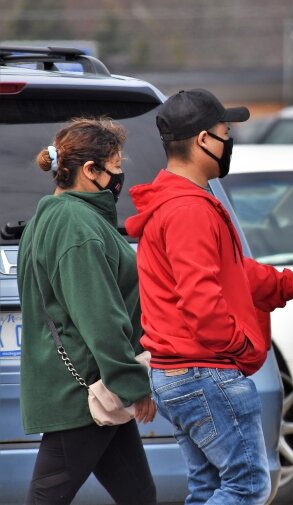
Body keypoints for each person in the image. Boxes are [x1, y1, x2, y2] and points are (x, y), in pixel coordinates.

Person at [125, 89, 293, 505]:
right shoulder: (189, 209)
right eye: (226, 131)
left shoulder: (177, 201)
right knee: (248, 487)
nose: (230, 141)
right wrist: (237, 347)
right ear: (204, 140)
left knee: (208, 489)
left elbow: (235, 275)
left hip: (181, 372)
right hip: (204, 372)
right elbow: (202, 302)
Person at [17, 118, 157, 505]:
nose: (120, 178)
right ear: (89, 171)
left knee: (140, 496)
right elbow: (100, 316)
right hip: (84, 394)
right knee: (48, 497)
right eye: (114, 168)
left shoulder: (56, 215)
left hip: (92, 389)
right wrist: (133, 385)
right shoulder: (76, 225)